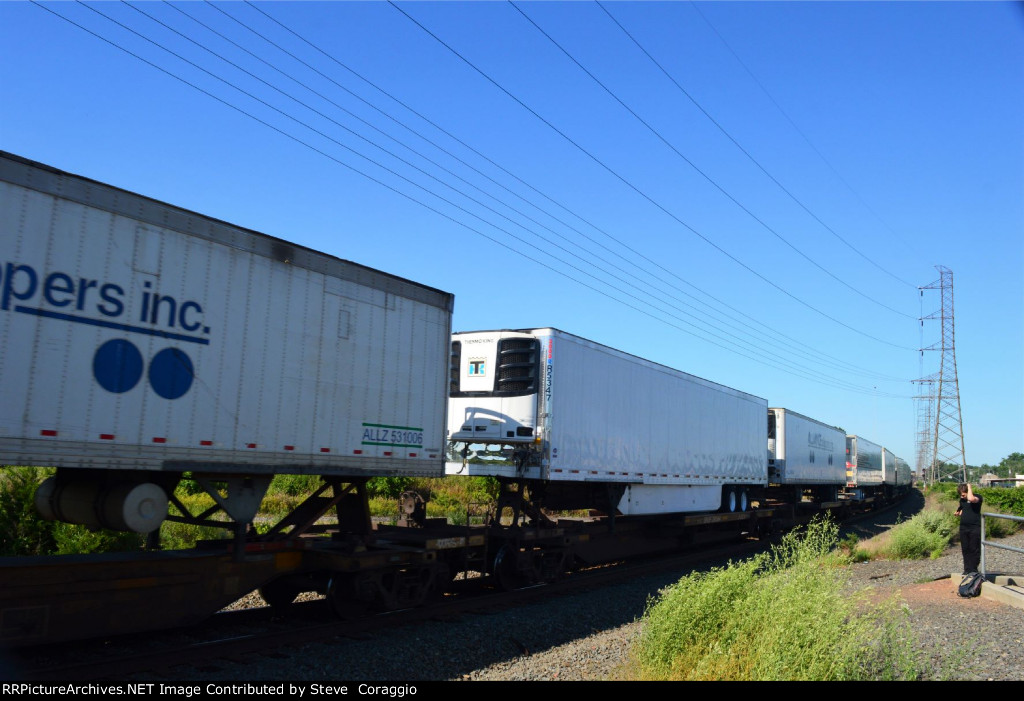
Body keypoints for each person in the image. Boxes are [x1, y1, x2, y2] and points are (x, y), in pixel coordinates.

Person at [954, 482, 983, 574]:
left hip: (974, 527)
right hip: (964, 527)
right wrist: (958, 512)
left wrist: (969, 487)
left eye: (963, 494)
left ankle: (973, 570)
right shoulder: (962, 500)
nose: (962, 497)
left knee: (974, 549)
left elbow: (971, 498)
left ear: (968, 491)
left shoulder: (977, 497)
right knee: (965, 549)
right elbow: (962, 507)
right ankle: (967, 569)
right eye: (960, 495)